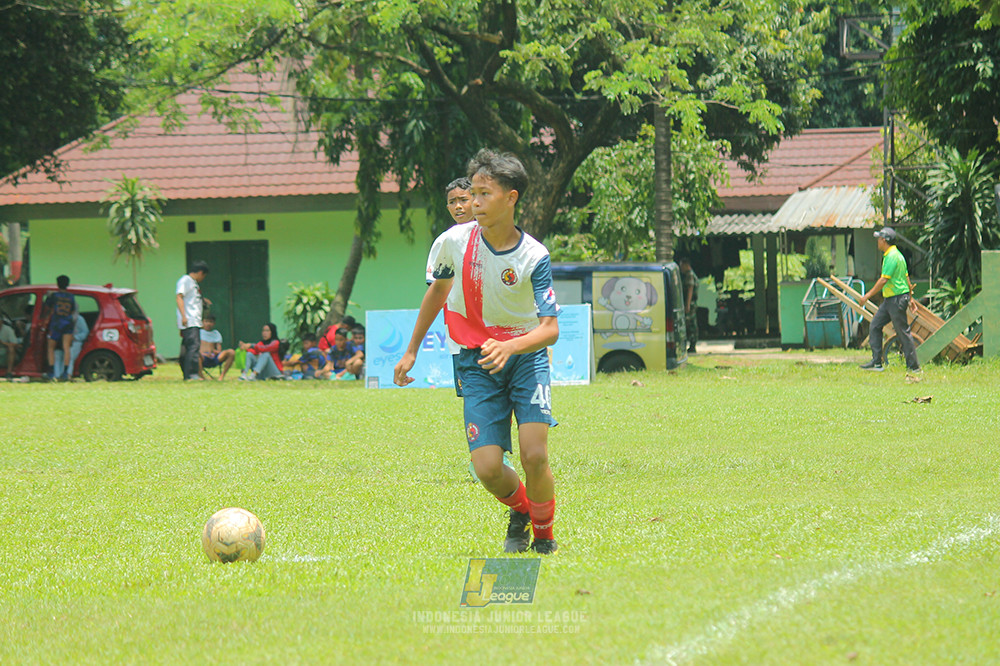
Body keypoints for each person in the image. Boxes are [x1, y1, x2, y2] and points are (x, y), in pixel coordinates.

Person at [394, 148, 561, 555]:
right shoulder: (453, 242)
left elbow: (551, 329)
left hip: (525, 357)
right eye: (473, 194)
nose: (474, 203)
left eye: (484, 194)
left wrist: (511, 346)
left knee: (534, 454)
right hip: (475, 360)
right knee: (487, 469)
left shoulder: (534, 256)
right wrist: (411, 349)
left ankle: (544, 537)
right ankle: (521, 511)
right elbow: (438, 292)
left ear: (511, 198)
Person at [858, 227, 921, 373]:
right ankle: (876, 362)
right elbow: (906, 279)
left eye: (879, 239)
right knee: (875, 325)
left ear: (884, 240)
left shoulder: (892, 256)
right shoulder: (895, 255)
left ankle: (914, 367)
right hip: (890, 300)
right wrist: (911, 300)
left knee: (902, 332)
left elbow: (883, 280)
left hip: (896, 299)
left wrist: (867, 296)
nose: (877, 242)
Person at [176, 261, 210, 381]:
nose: (203, 278)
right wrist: (183, 316)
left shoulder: (193, 283)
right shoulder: (185, 280)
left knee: (187, 347)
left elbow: (190, 299)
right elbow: (179, 296)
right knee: (194, 347)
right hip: (190, 320)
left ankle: (187, 374)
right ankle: (192, 374)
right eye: (203, 276)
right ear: (200, 272)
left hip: (193, 320)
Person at [43, 275, 76, 378]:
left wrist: (48, 296)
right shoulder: (71, 297)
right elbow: (73, 309)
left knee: (51, 347)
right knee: (66, 347)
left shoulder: (54, 296)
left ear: (57, 284)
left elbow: (46, 306)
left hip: (56, 323)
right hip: (68, 323)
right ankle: (66, 372)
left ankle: (51, 371)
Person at [53, 313, 89, 381]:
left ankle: (67, 375)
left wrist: (75, 337)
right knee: (57, 354)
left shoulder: (79, 319)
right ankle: (57, 376)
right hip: (61, 341)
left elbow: (85, 332)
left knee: (70, 354)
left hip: (75, 341)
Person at [199, 314, 235, 380]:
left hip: (214, 357)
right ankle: (202, 377)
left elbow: (219, 350)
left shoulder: (216, 333)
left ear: (214, 323)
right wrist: (204, 354)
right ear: (203, 322)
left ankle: (222, 376)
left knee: (231, 352)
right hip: (202, 357)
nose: (208, 324)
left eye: (211, 322)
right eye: (206, 321)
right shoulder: (198, 333)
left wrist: (215, 352)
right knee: (195, 354)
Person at [678, 256, 699, 353]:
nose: (681, 268)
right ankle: (691, 345)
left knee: (689, 324)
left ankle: (692, 345)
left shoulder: (689, 275)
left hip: (690, 304)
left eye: (682, 266)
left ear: (686, 265)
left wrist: (687, 305)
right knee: (690, 324)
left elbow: (690, 290)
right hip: (691, 303)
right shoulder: (690, 274)